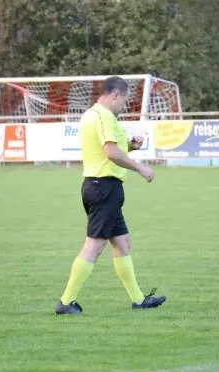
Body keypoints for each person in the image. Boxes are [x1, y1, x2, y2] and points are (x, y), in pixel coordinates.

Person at [55, 76, 167, 315]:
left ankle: (139, 300)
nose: (123, 106)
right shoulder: (105, 116)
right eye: (124, 101)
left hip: (99, 186)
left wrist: (131, 145)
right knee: (94, 245)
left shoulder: (90, 115)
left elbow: (110, 147)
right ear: (115, 94)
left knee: (122, 242)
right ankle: (66, 301)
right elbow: (110, 152)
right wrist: (140, 167)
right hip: (104, 187)